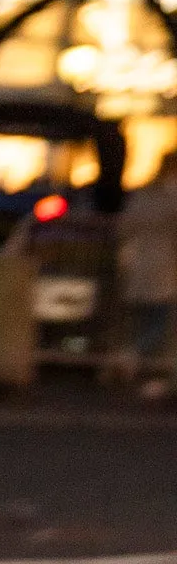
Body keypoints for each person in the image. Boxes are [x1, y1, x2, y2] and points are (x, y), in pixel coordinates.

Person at [118, 149, 177, 402]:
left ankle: (135, 362)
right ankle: (133, 358)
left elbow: (124, 226)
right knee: (160, 321)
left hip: (137, 264)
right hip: (162, 266)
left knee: (145, 320)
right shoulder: (169, 197)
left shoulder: (142, 195)